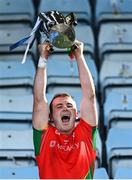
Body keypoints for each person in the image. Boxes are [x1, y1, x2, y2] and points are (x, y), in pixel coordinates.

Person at [32, 41, 98, 179]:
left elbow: (89, 96)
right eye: (59, 106)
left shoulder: (85, 132)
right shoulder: (44, 135)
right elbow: (39, 99)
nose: (65, 108)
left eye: (69, 106)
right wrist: (43, 58)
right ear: (50, 117)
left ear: (76, 113)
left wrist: (79, 55)